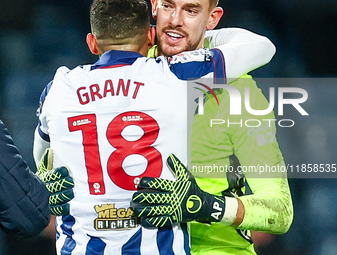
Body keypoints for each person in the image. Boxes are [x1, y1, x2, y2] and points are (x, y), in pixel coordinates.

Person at [33, 0, 275, 254]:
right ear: (150, 36)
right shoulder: (178, 75)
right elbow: (262, 47)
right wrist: (197, 28)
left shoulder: (59, 88)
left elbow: (42, 160)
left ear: (92, 43)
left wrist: (44, 181)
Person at [132, 0, 294, 254]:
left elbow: (280, 209)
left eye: (191, 10)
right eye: (167, 6)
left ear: (212, 18)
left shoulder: (240, 95)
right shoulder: (126, 72)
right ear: (154, 7)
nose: (175, 19)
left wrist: (206, 206)